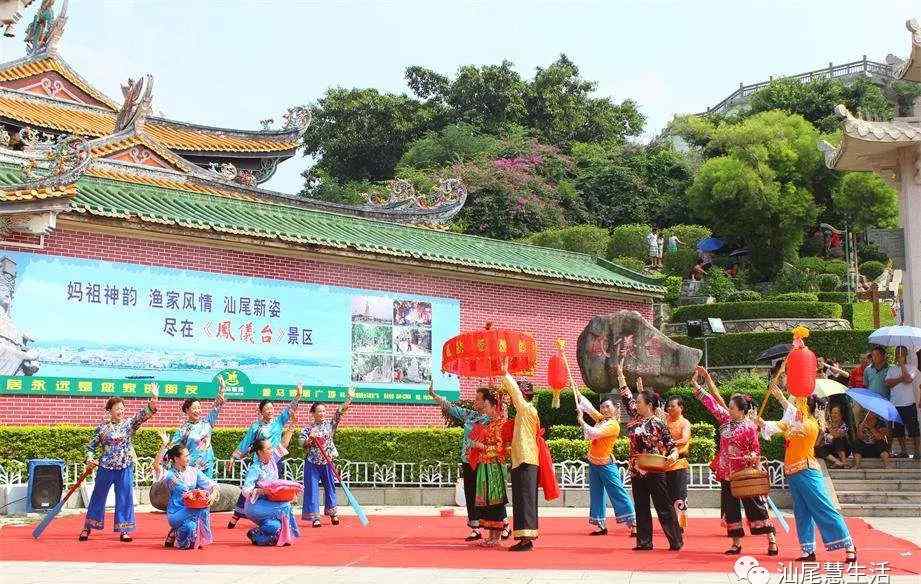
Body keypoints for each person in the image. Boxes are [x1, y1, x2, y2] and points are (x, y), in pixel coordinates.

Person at [759, 386, 857, 563]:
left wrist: (781, 398)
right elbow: (775, 426)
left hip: (807, 471)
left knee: (823, 507)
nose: (795, 405)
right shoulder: (793, 423)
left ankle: (849, 544)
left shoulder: (811, 424)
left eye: (799, 403)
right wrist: (760, 422)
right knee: (801, 512)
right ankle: (808, 549)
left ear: (806, 407)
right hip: (793, 473)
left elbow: (794, 416)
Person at [691, 366, 777, 556]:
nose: (727, 409)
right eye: (728, 407)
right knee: (731, 509)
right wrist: (697, 385)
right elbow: (712, 403)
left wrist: (749, 457)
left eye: (731, 407)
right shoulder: (725, 421)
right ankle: (736, 543)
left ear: (741, 410)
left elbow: (756, 451)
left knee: (756, 508)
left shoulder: (749, 428)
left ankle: (771, 539)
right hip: (727, 475)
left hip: (744, 474)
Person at [614, 356, 683, 551]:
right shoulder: (635, 419)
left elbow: (671, 446)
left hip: (655, 470)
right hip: (637, 471)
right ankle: (644, 542)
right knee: (641, 507)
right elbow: (626, 396)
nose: (636, 404)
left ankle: (675, 540)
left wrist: (673, 456)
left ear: (649, 405)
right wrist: (620, 374)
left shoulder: (658, 423)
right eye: (636, 402)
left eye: (639, 401)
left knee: (663, 507)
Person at [429, 383, 510, 542]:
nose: (476, 402)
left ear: (488, 402)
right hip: (468, 460)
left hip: (485, 462)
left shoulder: (493, 418)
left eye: (479, 399)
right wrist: (434, 395)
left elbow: (503, 420)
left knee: (491, 496)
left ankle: (503, 524)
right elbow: (451, 408)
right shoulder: (470, 415)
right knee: (471, 493)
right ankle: (475, 528)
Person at [79, 387, 159, 542]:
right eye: (117, 409)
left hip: (124, 467)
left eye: (122, 408)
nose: (120, 411)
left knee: (124, 498)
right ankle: (87, 527)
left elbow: (143, 415)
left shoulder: (129, 424)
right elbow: (91, 447)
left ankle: (124, 530)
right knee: (98, 497)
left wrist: (154, 397)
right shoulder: (102, 428)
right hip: (105, 468)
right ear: (110, 410)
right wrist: (89, 458)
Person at [227, 384, 302, 528]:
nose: (270, 411)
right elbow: (246, 442)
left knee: (273, 488)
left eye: (271, 408)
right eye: (266, 409)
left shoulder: (279, 421)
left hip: (275, 460)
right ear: (261, 411)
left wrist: (297, 396)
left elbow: (290, 410)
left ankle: (269, 514)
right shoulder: (256, 426)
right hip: (259, 462)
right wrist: (234, 457)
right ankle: (237, 515)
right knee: (249, 488)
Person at [574, 387, 636, 537]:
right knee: (596, 494)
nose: (604, 409)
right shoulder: (602, 419)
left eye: (608, 406)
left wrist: (582, 421)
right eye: (602, 407)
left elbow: (594, 433)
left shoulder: (613, 425)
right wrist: (577, 392)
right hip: (594, 463)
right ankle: (600, 524)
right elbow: (588, 407)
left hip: (606, 465)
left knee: (618, 493)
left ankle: (634, 524)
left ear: (615, 409)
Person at [499, 368, 541, 551]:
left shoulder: (525, 409)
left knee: (524, 499)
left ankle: (526, 539)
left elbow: (514, 393)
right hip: (523, 458)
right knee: (523, 499)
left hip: (525, 459)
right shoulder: (526, 413)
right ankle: (524, 537)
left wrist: (505, 373)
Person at [299, 388, 355, 527]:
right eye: (319, 411)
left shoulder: (330, 425)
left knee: (330, 487)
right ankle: (315, 517)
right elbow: (301, 443)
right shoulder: (307, 429)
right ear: (313, 413)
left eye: (324, 411)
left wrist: (349, 399)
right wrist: (309, 440)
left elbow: (339, 412)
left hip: (328, 462)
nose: (322, 413)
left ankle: (333, 513)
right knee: (312, 489)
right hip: (312, 463)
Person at [242, 429, 300, 546]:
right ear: (260, 452)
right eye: (268, 449)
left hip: (270, 502)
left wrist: (291, 428)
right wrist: (259, 491)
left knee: (275, 527)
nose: (271, 450)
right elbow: (245, 490)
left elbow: (283, 445)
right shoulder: (255, 468)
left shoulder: (272, 460)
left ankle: (256, 534)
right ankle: (290, 535)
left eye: (271, 448)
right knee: (285, 506)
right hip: (255, 505)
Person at [467, 390, 510, 547]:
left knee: (495, 502)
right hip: (485, 466)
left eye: (486, 405)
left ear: (494, 406)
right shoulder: (489, 423)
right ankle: (492, 536)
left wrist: (481, 446)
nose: (484, 409)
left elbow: (500, 448)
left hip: (494, 467)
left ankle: (496, 538)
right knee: (487, 502)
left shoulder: (500, 425)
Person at [162, 444, 219, 549]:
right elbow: (157, 467)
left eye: (189, 455)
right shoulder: (169, 475)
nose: (189, 458)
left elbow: (211, 484)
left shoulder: (193, 471)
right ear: (176, 458)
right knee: (203, 507)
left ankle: (175, 533)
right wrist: (163, 446)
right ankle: (179, 532)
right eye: (186, 456)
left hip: (191, 509)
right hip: (175, 512)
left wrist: (213, 494)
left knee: (189, 527)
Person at [169, 376, 226, 479]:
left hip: (207, 464)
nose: (198, 410)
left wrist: (222, 390)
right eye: (194, 408)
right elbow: (173, 448)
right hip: (191, 467)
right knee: (193, 493)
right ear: (187, 410)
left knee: (207, 491)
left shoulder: (207, 422)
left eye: (199, 407)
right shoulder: (183, 430)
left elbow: (216, 407)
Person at [664, 395, 691, 533]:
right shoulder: (664, 420)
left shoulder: (685, 422)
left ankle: (679, 524)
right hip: (665, 462)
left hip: (679, 462)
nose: (669, 408)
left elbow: (684, 439)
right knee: (667, 495)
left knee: (679, 494)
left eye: (672, 406)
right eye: (668, 406)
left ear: (681, 408)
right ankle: (669, 522)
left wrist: (670, 443)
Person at [887, 346, 920, 459]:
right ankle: (903, 451)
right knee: (898, 430)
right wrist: (901, 379)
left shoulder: (912, 367)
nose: (899, 355)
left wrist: (902, 365)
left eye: (901, 353)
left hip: (908, 403)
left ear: (906, 355)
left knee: (914, 429)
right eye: (897, 353)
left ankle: (917, 451)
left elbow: (909, 379)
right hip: (895, 403)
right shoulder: (891, 369)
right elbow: (888, 383)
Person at [816, 404, 851, 468]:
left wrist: (828, 427)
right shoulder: (826, 425)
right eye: (832, 413)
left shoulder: (844, 426)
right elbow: (820, 440)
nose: (833, 415)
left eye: (836, 413)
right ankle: (837, 462)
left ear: (841, 415)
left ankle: (844, 461)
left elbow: (836, 435)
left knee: (838, 440)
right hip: (830, 450)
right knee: (818, 449)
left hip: (843, 450)